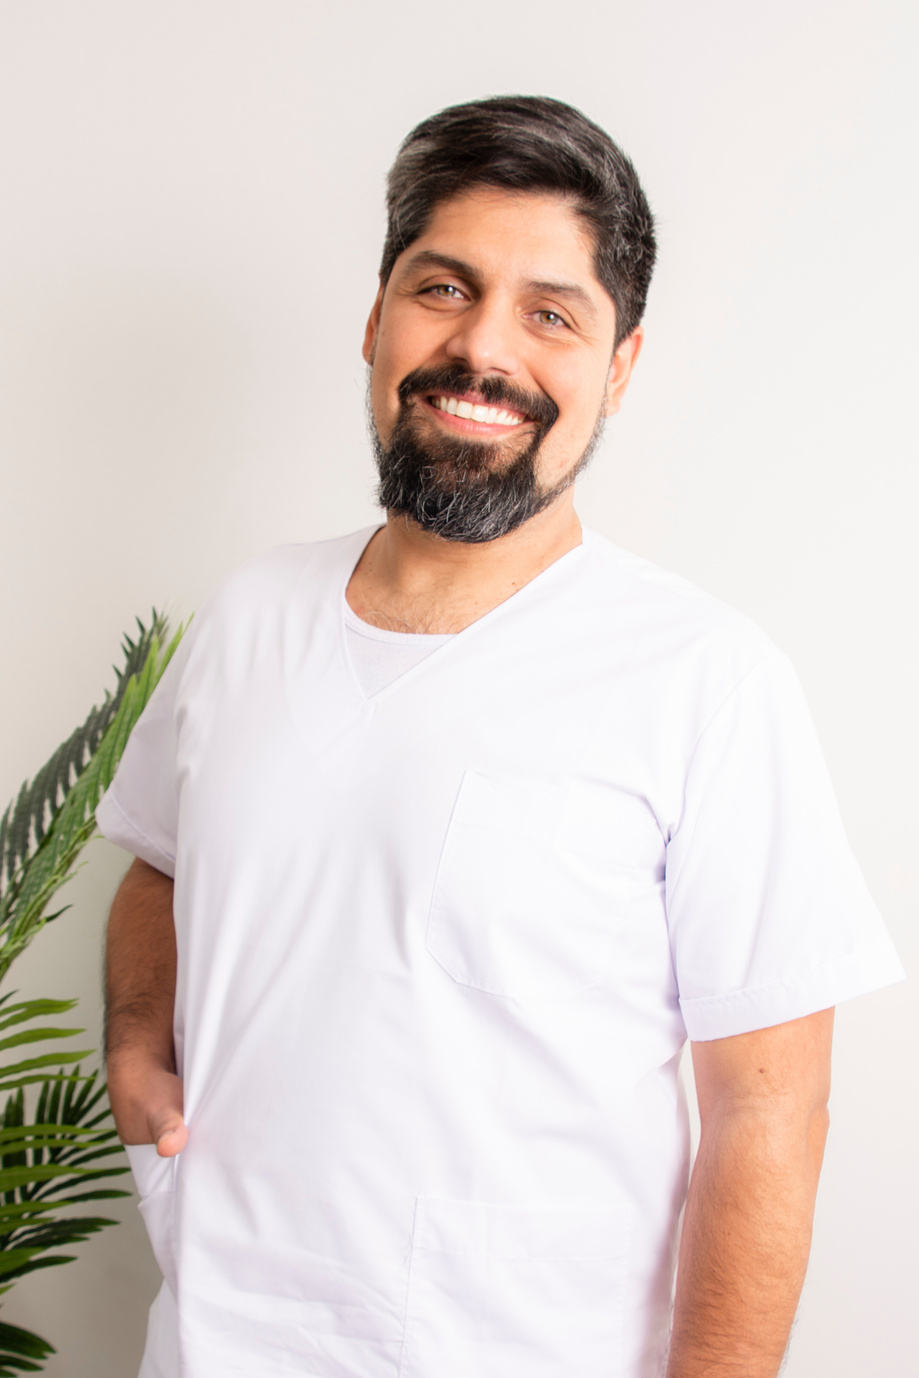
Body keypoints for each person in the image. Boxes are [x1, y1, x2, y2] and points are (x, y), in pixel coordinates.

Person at [100, 95, 904, 1378]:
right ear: (375, 317)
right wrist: (137, 1040)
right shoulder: (248, 616)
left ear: (618, 367)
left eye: (550, 313)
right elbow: (159, 860)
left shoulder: (703, 681)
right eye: (443, 288)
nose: (480, 349)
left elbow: (767, 1111)